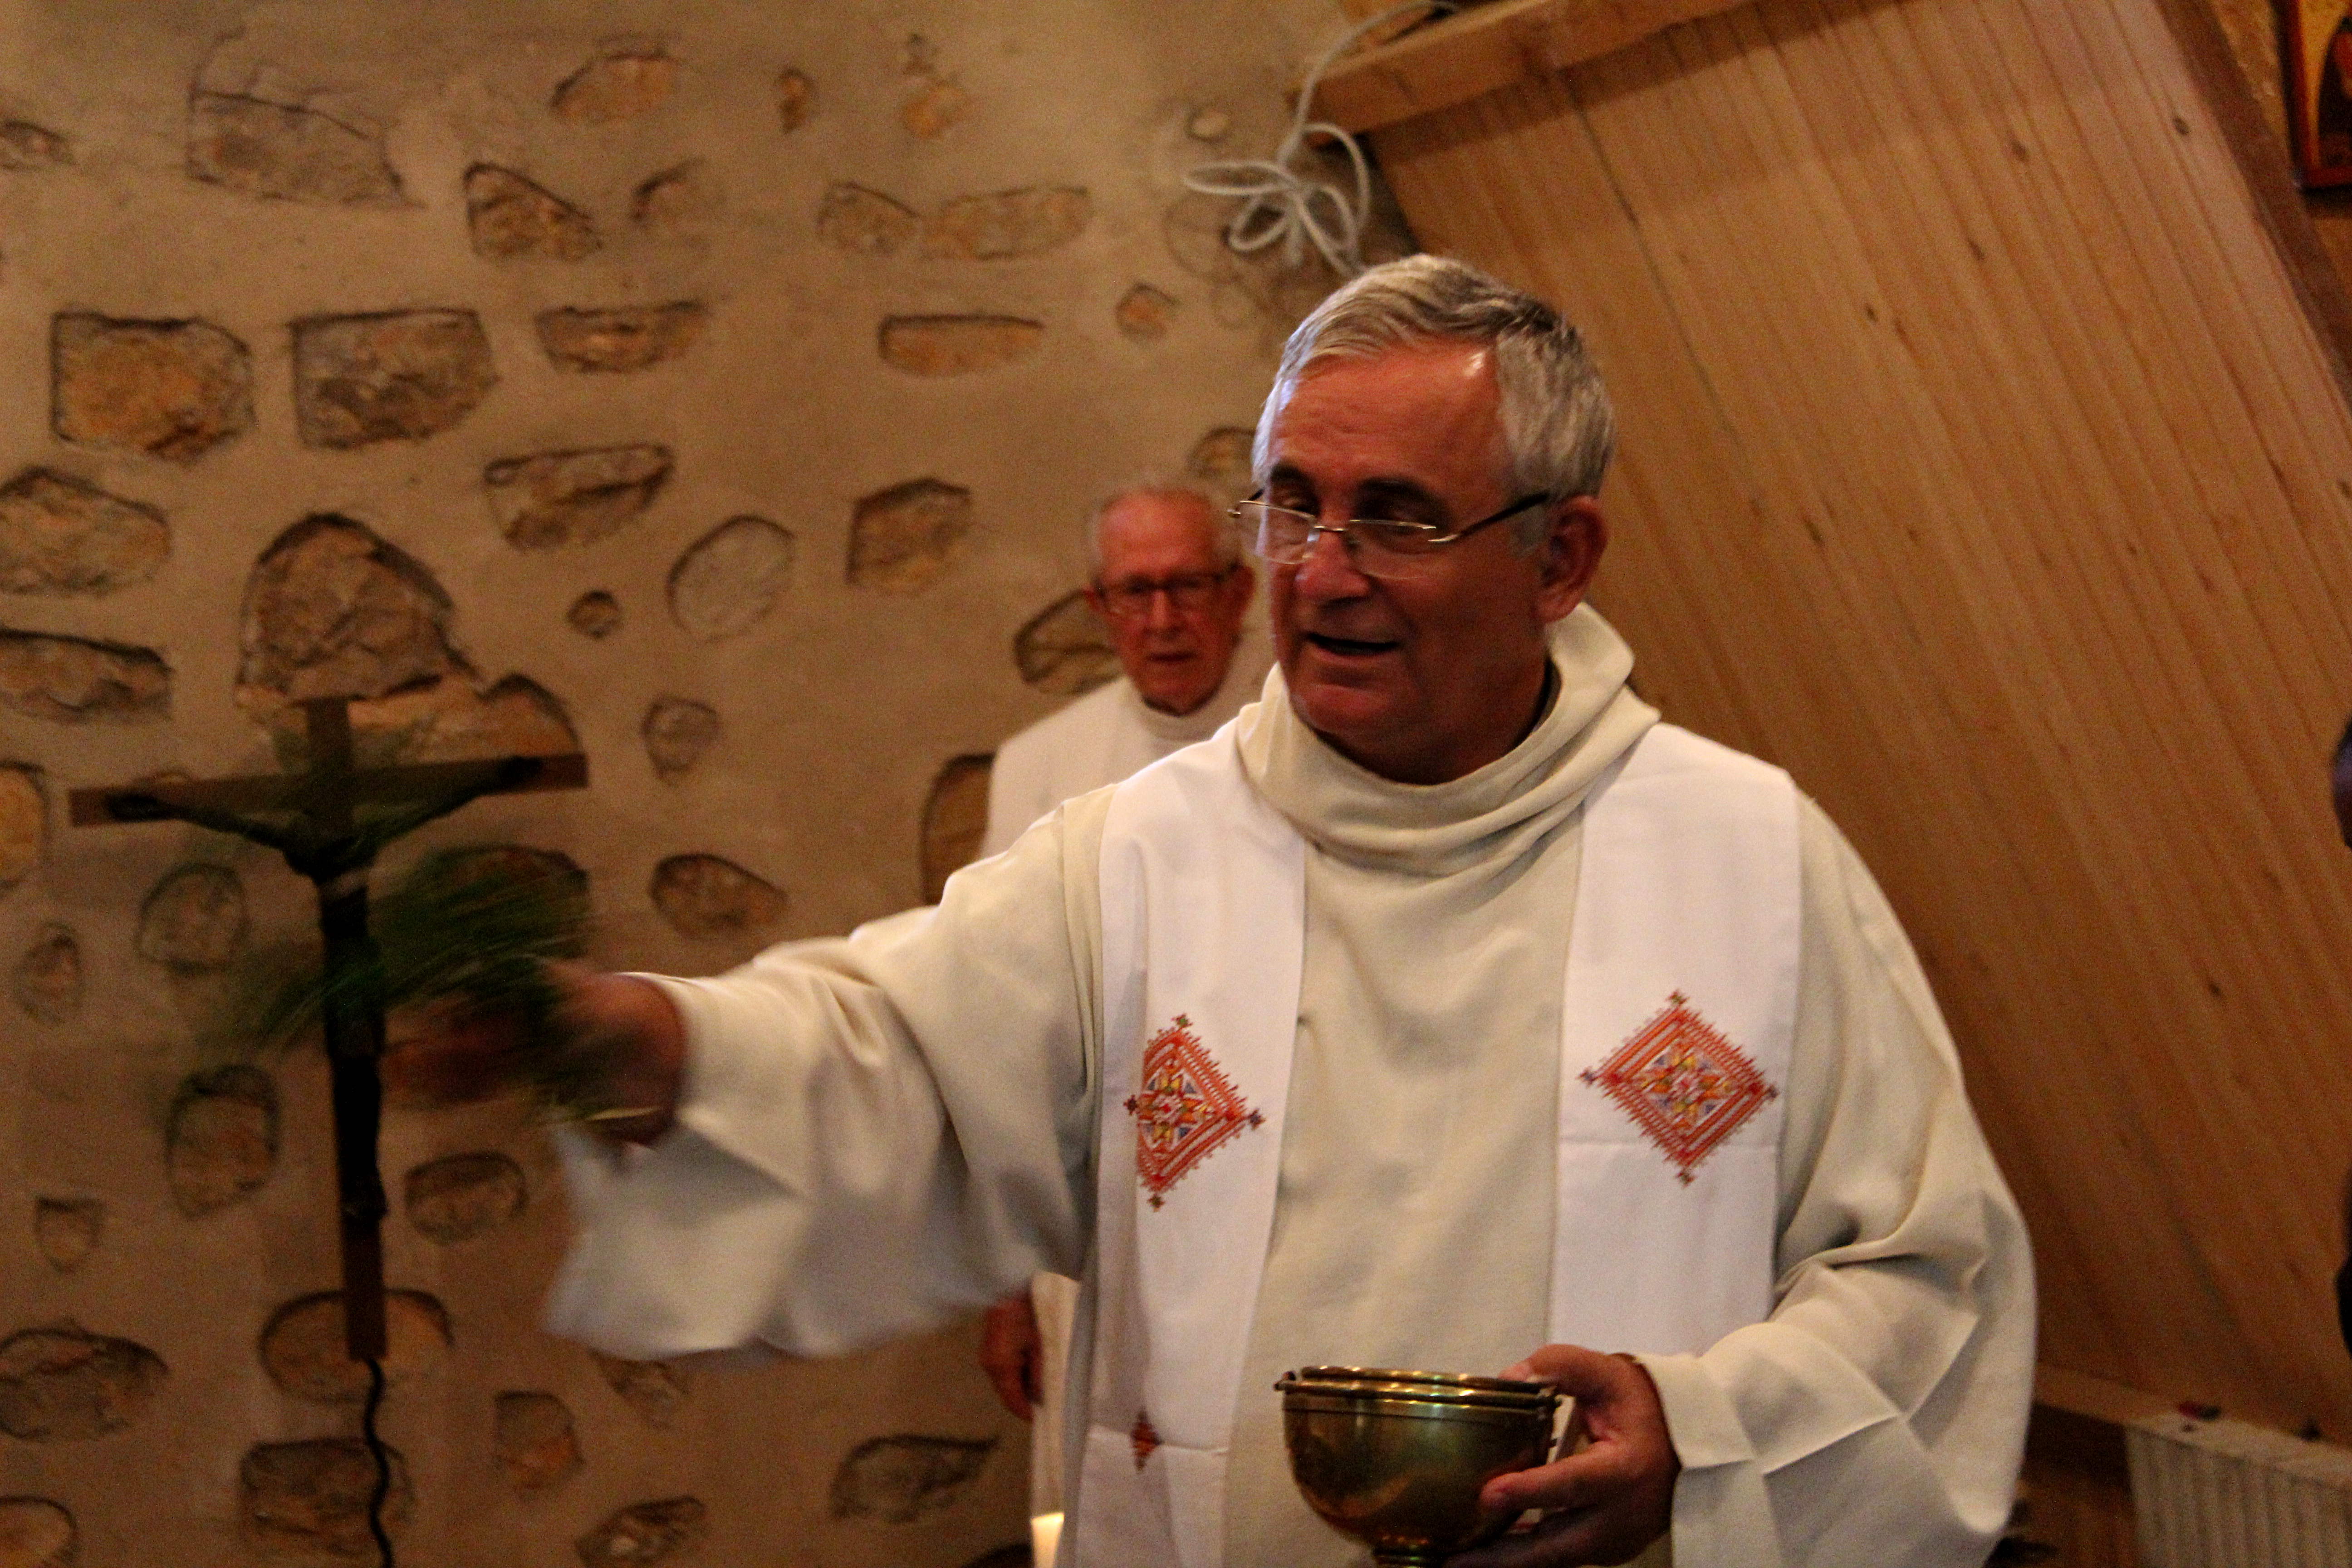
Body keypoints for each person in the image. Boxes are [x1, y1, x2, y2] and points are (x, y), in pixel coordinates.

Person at [499, 255, 2032, 1567]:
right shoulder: (1140, 859)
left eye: (1395, 516)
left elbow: (1924, 1280)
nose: (1321, 573)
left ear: (1557, 556)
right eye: (1289, 506)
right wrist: (661, 1043)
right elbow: (891, 1051)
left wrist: (1695, 1441)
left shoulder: (1748, 862)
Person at [977, 482, 1264, 1532]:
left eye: (1187, 586)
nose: (1161, 619)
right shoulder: (1038, 767)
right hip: (1093, 1214)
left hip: (1264, 1203)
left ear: (1240, 595)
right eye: (1133, 593)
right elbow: (1005, 1032)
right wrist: (1007, 1284)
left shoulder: (1313, 733)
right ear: (1097, 610)